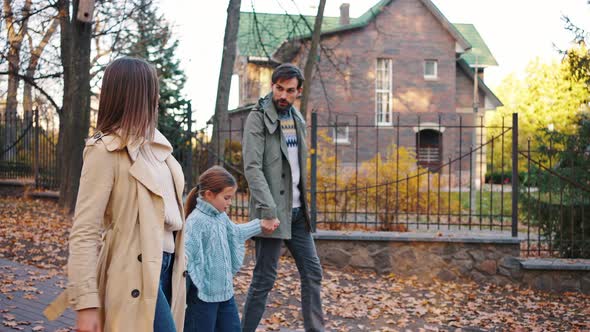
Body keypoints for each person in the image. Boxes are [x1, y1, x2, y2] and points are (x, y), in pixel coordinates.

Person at [43, 57, 187, 332]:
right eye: (151, 90)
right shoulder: (104, 151)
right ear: (135, 95)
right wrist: (86, 303)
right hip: (134, 271)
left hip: (169, 268)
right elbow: (84, 231)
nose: (157, 97)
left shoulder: (158, 149)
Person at [241, 63, 325, 332]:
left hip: (299, 214)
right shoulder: (257, 117)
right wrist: (268, 209)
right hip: (272, 212)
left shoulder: (297, 118)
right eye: (279, 89)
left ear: (298, 92)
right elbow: (252, 167)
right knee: (264, 278)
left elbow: (296, 168)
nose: (283, 96)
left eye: (290, 91)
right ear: (272, 86)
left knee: (313, 273)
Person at [183, 166, 279, 332]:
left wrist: (260, 224)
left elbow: (235, 233)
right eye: (226, 198)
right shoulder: (196, 222)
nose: (230, 202)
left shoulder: (220, 216)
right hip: (202, 299)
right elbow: (187, 258)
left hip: (225, 294)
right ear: (208, 195)